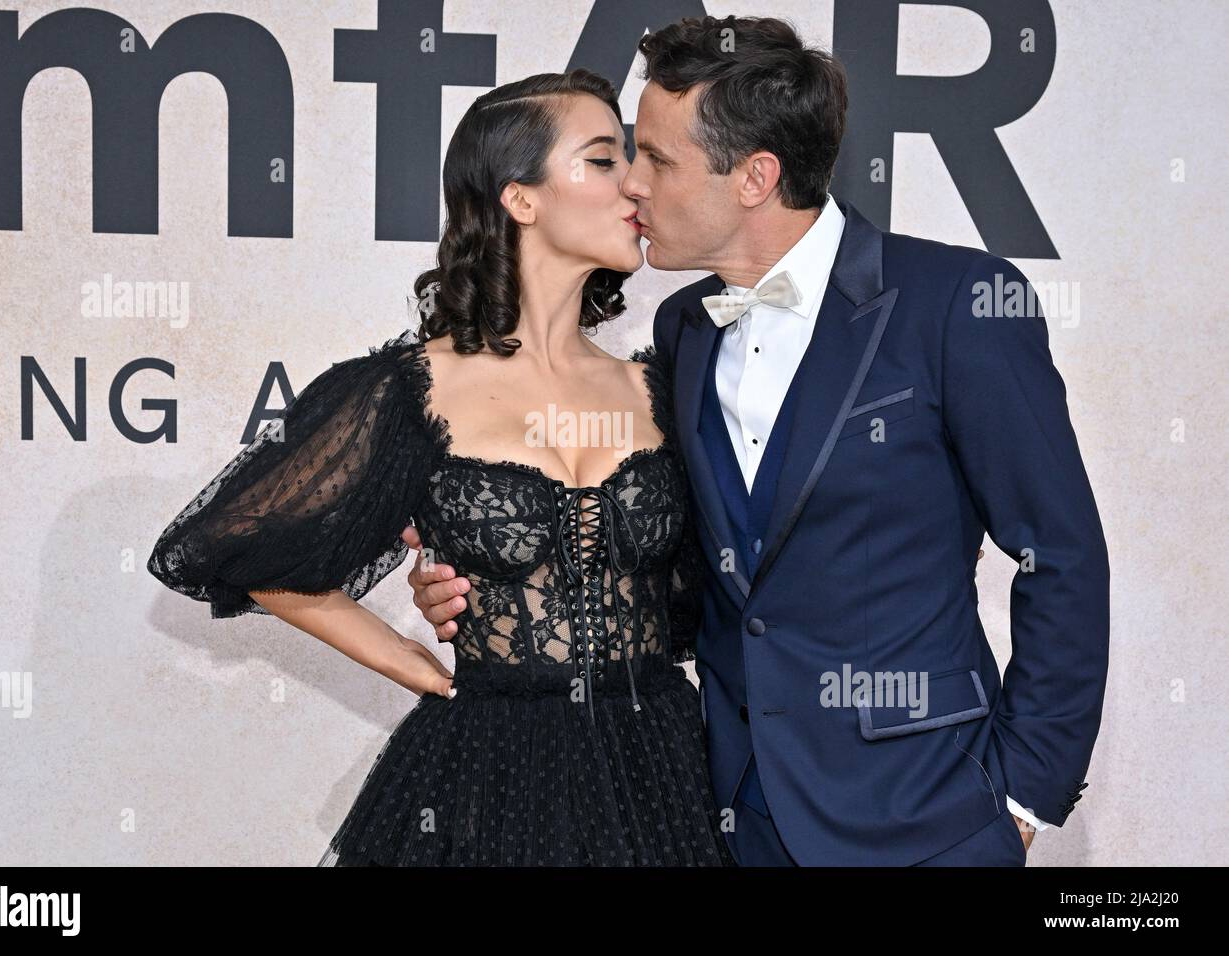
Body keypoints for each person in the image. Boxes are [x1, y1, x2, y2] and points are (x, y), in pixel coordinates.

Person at [406, 15, 1110, 866]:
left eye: (657, 160)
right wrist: (502, 579)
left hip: (927, 817)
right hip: (731, 816)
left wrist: (1022, 799)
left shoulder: (955, 304)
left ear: (755, 177)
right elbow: (687, 575)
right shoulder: (684, 328)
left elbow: (1061, 556)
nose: (632, 185)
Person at [147, 68, 735, 866]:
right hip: (488, 774)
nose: (634, 183)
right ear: (519, 197)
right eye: (602, 159)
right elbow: (232, 546)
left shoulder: (667, 383)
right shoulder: (408, 389)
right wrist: (409, 662)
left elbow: (713, 594)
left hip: (660, 772)